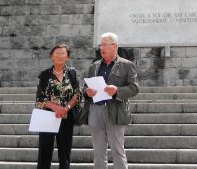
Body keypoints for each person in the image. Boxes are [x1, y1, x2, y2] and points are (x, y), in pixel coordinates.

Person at [83, 32, 139, 169]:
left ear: (115, 46)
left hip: (115, 111)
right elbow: (85, 87)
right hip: (95, 110)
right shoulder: (94, 66)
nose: (102, 48)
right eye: (101, 45)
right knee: (98, 153)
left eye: (105, 45)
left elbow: (134, 88)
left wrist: (117, 91)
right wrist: (87, 92)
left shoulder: (127, 65)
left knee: (118, 151)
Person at [35, 44, 81, 169]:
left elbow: (77, 94)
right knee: (44, 151)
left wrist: (65, 108)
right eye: (57, 53)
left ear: (67, 57)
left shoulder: (73, 73)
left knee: (65, 153)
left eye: (63, 53)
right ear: (51, 57)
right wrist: (56, 108)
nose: (60, 56)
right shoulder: (44, 74)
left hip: (66, 116)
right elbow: (39, 98)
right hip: (47, 116)